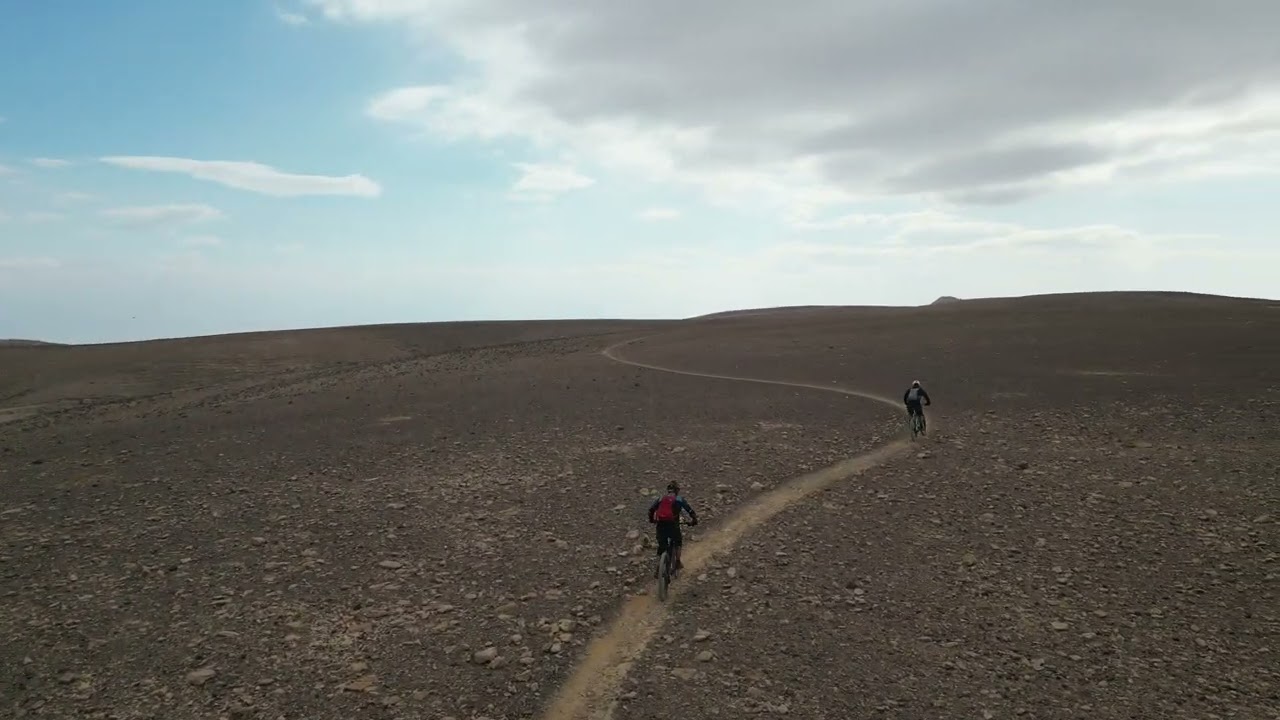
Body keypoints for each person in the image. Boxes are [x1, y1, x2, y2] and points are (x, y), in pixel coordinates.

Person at [648, 481, 698, 577]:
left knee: (662, 546)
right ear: (677, 491)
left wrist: (652, 520)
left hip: (660, 525)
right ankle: (678, 561)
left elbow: (651, 510)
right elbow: (690, 510)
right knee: (678, 541)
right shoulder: (678, 498)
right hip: (673, 525)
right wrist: (694, 520)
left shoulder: (661, 498)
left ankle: (659, 566)